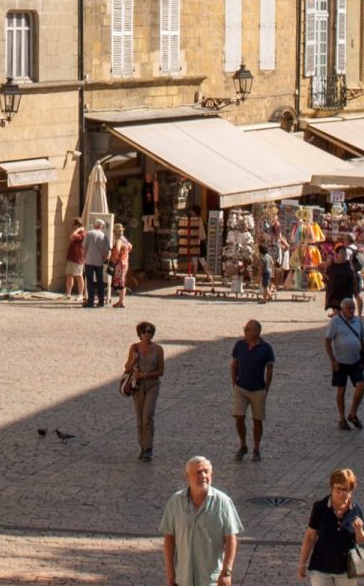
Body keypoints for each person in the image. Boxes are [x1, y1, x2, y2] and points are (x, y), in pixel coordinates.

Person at [159, 455, 241, 586]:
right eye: (197, 472)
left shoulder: (222, 502)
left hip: (212, 581)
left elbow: (231, 538)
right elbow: (169, 537)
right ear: (188, 477)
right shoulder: (175, 502)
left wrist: (226, 572)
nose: (203, 476)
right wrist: (170, 573)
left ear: (211, 474)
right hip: (183, 579)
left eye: (206, 472)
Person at [297, 466, 364, 584]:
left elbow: (361, 541)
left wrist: (359, 531)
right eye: (337, 489)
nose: (341, 493)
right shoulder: (320, 507)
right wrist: (302, 564)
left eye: (345, 490)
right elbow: (310, 537)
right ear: (331, 488)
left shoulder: (356, 510)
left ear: (351, 490)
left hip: (347, 570)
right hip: (320, 567)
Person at [230, 318, 275, 461]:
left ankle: (256, 448)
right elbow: (234, 364)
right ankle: (243, 445)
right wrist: (234, 383)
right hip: (241, 388)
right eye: (245, 328)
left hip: (257, 389)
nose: (245, 331)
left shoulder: (266, 348)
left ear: (257, 332)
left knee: (257, 420)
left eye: (248, 329)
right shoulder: (239, 345)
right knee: (239, 417)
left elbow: (269, 369)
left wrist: (266, 388)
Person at [124, 320, 165, 461]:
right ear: (140, 334)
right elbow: (127, 367)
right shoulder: (134, 348)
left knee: (148, 416)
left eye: (149, 332)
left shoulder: (158, 349)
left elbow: (161, 371)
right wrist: (133, 360)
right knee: (140, 418)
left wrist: (146, 374)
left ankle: (149, 447)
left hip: (152, 385)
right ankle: (142, 446)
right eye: (144, 332)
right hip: (138, 386)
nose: (147, 335)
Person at [326, 298, 364, 430]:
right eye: (349, 308)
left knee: (361, 386)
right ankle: (342, 418)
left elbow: (361, 340)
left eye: (353, 308)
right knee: (341, 390)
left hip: (355, 360)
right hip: (340, 362)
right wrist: (333, 360)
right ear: (342, 309)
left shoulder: (358, 321)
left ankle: (353, 414)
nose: (351, 311)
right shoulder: (335, 322)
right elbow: (327, 342)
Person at [83, 219, 111, 309]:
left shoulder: (89, 233)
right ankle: (101, 301)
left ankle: (90, 302)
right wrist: (104, 259)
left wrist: (84, 258)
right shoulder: (104, 236)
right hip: (99, 262)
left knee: (90, 282)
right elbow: (106, 252)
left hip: (89, 261)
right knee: (100, 282)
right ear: (101, 226)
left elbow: (84, 247)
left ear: (95, 225)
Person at [323, 243, 358, 313]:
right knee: (337, 314)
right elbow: (319, 267)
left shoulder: (349, 263)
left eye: (345, 252)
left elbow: (354, 276)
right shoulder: (331, 263)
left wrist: (355, 289)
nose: (344, 254)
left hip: (346, 291)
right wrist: (326, 276)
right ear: (337, 254)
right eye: (341, 252)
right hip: (334, 292)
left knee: (345, 313)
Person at [111, 228, 134, 308]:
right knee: (122, 282)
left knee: (120, 283)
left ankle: (121, 302)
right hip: (125, 263)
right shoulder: (124, 239)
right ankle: (121, 301)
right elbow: (130, 246)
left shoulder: (119, 241)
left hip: (119, 263)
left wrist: (116, 257)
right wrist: (125, 254)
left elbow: (117, 249)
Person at [64, 222, 86, 302]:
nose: (73, 227)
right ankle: (68, 293)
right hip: (71, 257)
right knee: (69, 275)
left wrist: (78, 230)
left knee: (79, 276)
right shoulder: (77, 232)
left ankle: (80, 294)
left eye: (74, 225)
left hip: (78, 258)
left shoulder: (83, 234)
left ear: (77, 225)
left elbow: (71, 237)